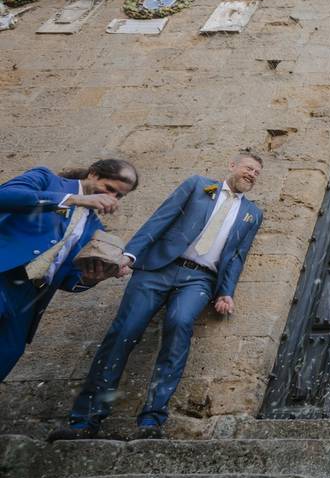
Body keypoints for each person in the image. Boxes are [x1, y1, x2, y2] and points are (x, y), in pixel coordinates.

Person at [48, 152, 264, 441]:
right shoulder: (198, 185)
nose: (251, 174)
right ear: (233, 166)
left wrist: (226, 291)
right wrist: (129, 255)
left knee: (179, 328)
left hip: (200, 279)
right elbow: (161, 218)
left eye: (257, 173)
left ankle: (151, 421)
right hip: (157, 269)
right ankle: (84, 421)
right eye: (248, 168)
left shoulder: (252, 213)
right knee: (123, 333)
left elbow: (238, 255)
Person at [1, 159, 138, 381]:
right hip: (4, 272)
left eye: (119, 196)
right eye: (110, 189)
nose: (111, 198)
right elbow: (5, 196)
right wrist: (73, 199)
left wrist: (92, 278)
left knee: (8, 353)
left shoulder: (95, 228)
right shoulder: (47, 179)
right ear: (93, 174)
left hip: (30, 297)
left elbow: (68, 279)